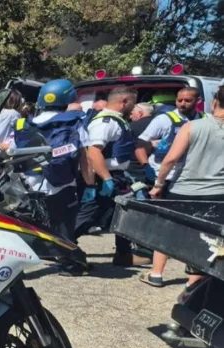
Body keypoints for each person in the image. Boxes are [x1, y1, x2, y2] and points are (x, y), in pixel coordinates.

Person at [140, 87, 214, 287]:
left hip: (189, 179)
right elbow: (141, 143)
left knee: (194, 229)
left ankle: (193, 279)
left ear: (198, 101)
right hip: (165, 178)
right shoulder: (164, 119)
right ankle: (157, 272)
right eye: (179, 100)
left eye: (187, 100)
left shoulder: (204, 120)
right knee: (166, 226)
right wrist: (148, 168)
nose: (182, 103)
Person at [13, 79, 87, 275]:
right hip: (61, 182)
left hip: (29, 181)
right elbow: (84, 154)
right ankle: (68, 264)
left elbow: (13, 149)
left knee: (27, 224)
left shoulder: (22, 123)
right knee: (63, 224)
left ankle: (16, 264)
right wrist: (90, 181)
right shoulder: (75, 122)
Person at [75, 86, 150, 267]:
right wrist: (106, 179)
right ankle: (60, 248)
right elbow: (93, 152)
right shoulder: (106, 122)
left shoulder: (117, 121)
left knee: (123, 213)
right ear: (124, 101)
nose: (134, 106)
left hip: (115, 175)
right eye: (133, 102)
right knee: (88, 216)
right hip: (102, 177)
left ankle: (124, 254)